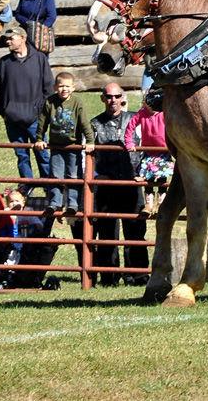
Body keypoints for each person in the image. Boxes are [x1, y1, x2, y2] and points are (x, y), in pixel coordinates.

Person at [89, 83, 148, 286]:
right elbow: (86, 156)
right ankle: (109, 277)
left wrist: (143, 173)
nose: (112, 100)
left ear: (122, 97)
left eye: (116, 96)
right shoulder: (94, 124)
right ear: (102, 98)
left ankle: (138, 275)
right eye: (108, 96)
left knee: (135, 229)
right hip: (105, 183)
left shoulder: (135, 119)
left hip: (131, 180)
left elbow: (146, 146)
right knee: (107, 231)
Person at [0, 25, 53, 179]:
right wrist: (4, 111)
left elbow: (48, 88)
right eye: (6, 39)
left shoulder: (40, 59)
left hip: (35, 119)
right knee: (22, 156)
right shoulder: (4, 62)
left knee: (43, 155)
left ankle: (50, 187)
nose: (8, 42)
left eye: (11, 38)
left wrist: (40, 112)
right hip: (12, 119)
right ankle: (27, 186)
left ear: (23, 38)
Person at [35, 71, 93, 216]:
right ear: (55, 87)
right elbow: (42, 122)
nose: (64, 89)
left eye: (67, 86)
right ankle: (55, 202)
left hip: (73, 146)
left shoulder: (77, 102)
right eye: (61, 86)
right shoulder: (50, 102)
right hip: (56, 146)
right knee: (55, 175)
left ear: (73, 88)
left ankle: (72, 203)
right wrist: (39, 138)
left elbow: (84, 122)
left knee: (73, 175)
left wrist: (90, 140)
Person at [125, 93, 172, 217]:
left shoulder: (164, 113)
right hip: (148, 151)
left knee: (162, 179)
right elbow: (130, 127)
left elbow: (175, 126)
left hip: (163, 151)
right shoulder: (142, 113)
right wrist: (129, 142)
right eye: (148, 102)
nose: (151, 106)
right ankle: (149, 204)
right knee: (148, 178)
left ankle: (161, 203)